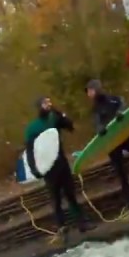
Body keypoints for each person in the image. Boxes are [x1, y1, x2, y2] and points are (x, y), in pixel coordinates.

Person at [24, 96, 91, 233]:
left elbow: (70, 126)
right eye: (44, 103)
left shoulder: (54, 118)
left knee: (70, 193)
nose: (48, 105)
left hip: (61, 161)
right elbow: (30, 151)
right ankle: (62, 227)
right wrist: (34, 169)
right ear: (39, 107)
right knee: (56, 197)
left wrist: (60, 114)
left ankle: (81, 223)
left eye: (49, 102)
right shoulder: (33, 128)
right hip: (48, 166)